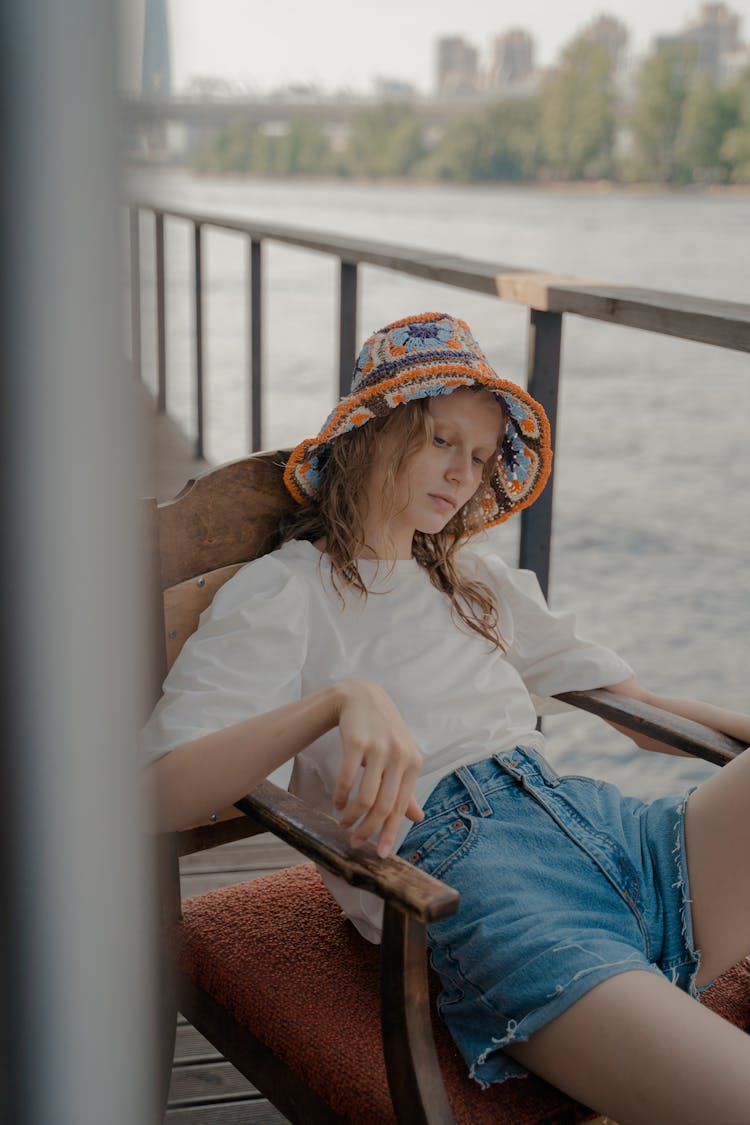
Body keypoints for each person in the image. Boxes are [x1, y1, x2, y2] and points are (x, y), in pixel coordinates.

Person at [142, 312, 750, 1124]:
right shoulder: (288, 593)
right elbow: (156, 793)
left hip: (610, 831)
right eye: (440, 440)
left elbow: (638, 715)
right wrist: (336, 700)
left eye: (482, 455)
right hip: (481, 888)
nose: (463, 472)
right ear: (370, 433)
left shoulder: (477, 583)